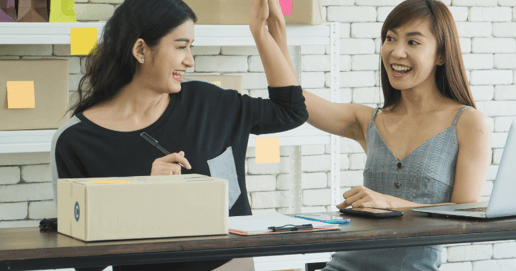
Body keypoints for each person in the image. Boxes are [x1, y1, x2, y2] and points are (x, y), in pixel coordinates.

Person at [49, 0, 308, 270]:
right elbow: (81, 259)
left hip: (230, 263)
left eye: (190, 47)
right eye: (181, 47)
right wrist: (142, 193)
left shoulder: (209, 103)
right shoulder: (75, 141)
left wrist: (262, 30)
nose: (190, 61)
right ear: (140, 50)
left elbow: (290, 111)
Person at [250, 0, 491, 270]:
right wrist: (270, 31)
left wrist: (390, 203)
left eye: (413, 42)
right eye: (390, 38)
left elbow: (466, 216)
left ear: (441, 55)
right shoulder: (370, 121)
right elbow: (292, 99)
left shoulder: (468, 122)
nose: (396, 52)